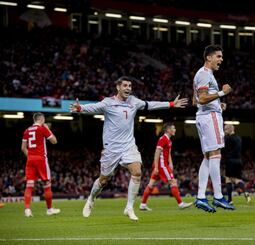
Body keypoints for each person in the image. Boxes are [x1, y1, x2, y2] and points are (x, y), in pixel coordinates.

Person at [70, 76, 188, 221]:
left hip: (128, 145)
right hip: (111, 148)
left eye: (130, 86)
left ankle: (129, 207)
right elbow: (94, 107)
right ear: (118, 87)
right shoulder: (108, 103)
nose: (128, 88)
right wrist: (80, 108)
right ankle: (91, 199)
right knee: (104, 180)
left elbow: (150, 105)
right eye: (125, 86)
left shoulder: (134, 101)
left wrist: (170, 104)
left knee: (137, 172)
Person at [192, 44, 234, 213]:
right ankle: (218, 196)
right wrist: (222, 93)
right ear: (208, 57)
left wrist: (217, 103)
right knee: (216, 154)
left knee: (208, 157)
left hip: (205, 116)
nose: (221, 60)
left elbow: (197, 100)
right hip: (210, 119)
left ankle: (201, 196)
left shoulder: (203, 74)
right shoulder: (204, 74)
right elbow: (201, 99)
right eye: (218, 56)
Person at [139, 123, 192, 211]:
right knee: (173, 182)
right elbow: (157, 153)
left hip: (163, 164)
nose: (175, 130)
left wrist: (170, 163)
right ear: (168, 130)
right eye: (173, 128)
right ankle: (181, 204)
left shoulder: (169, 140)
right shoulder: (163, 139)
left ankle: (143, 204)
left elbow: (168, 153)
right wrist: (156, 167)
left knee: (151, 184)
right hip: (161, 165)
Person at [21, 112, 60, 217]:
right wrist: (48, 129)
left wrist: (30, 156)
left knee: (29, 185)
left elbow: (23, 148)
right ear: (42, 119)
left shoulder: (27, 130)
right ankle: (49, 209)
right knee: (47, 183)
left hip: (30, 159)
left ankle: (27, 210)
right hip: (41, 159)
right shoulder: (42, 129)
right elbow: (54, 141)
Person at [223, 124, 251, 205]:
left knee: (228, 179)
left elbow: (223, 147)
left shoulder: (227, 138)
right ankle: (245, 192)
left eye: (225, 129)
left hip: (230, 161)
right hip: (239, 161)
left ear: (229, 129)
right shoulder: (238, 138)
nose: (225, 131)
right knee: (237, 179)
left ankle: (230, 200)